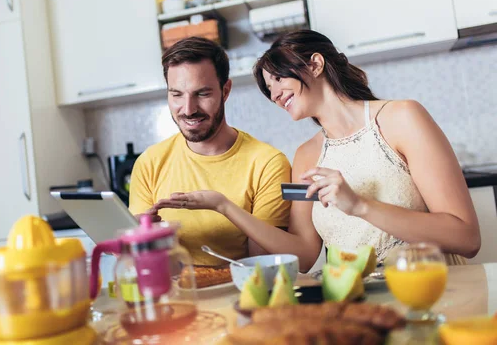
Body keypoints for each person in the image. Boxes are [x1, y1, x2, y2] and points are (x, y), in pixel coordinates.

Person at [156, 30, 481, 271]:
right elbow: (304, 254)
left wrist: (358, 205)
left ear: (314, 64)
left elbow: (466, 238)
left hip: (434, 291)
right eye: (268, 90)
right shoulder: (307, 156)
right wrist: (225, 207)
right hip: (358, 307)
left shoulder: (402, 118)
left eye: (278, 80)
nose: (275, 95)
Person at [129, 36, 291, 266]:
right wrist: (136, 241)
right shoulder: (149, 163)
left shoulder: (267, 164)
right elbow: (145, 264)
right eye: (176, 94)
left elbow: (261, 267)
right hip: (173, 298)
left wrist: (224, 207)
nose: (188, 109)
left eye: (202, 94)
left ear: (225, 91)